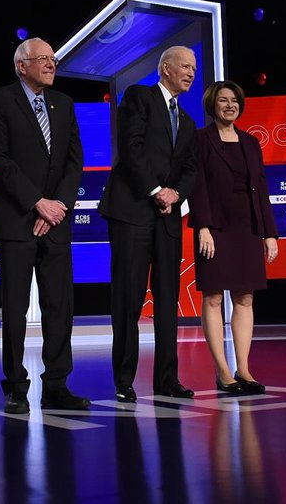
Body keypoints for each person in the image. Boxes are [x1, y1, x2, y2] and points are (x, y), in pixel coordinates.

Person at [0, 37, 89, 414]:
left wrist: (57, 205)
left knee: (59, 307)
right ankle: (15, 386)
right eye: (42, 59)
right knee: (14, 309)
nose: (51, 64)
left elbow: (75, 161)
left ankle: (57, 384)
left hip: (56, 220)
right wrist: (37, 203)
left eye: (53, 59)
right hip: (17, 220)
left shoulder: (65, 103)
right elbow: (0, 159)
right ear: (21, 66)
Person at [99, 45, 198, 402]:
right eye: (185, 66)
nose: (191, 72)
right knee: (128, 297)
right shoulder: (139, 98)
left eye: (194, 67)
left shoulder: (188, 121)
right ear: (166, 68)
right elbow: (131, 148)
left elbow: (190, 168)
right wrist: (156, 190)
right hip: (132, 213)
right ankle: (124, 380)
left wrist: (175, 193)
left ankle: (167, 379)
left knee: (168, 299)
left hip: (167, 218)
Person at [188, 81, 278, 395]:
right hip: (215, 228)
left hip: (248, 227)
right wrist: (203, 226)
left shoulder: (250, 142)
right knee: (213, 297)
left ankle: (244, 369)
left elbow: (262, 189)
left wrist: (269, 233)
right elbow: (196, 185)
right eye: (223, 100)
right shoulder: (200, 139)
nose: (230, 106)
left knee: (245, 298)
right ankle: (223, 371)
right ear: (212, 105)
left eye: (235, 100)